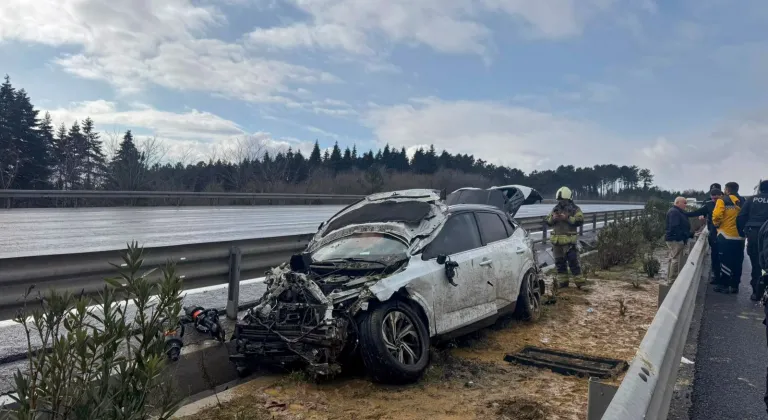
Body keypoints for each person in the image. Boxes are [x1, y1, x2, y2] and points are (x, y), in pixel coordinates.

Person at [546, 186, 584, 288]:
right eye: (560, 200)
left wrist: (567, 218)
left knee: (574, 263)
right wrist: (553, 218)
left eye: (563, 200)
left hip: (569, 242)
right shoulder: (555, 209)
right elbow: (547, 221)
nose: (561, 202)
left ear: (568, 199)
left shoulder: (575, 209)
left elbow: (579, 221)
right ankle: (563, 284)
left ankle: (580, 283)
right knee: (559, 264)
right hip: (557, 243)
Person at [685, 183, 722, 284]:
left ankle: (723, 278)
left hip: (723, 233)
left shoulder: (725, 202)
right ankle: (717, 276)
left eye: (717, 197)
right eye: (713, 197)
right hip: (715, 232)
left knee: (723, 256)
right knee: (715, 254)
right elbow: (698, 212)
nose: (715, 200)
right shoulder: (708, 203)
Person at [737, 180, 768, 300]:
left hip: (753, 232)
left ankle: (757, 291)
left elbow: (741, 216)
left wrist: (742, 232)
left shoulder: (752, 199)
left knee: (756, 263)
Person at [712, 187, 745, 293]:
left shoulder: (722, 200)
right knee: (738, 261)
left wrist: (716, 225)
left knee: (725, 261)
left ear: (727, 190)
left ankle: (724, 285)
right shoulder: (743, 200)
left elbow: (717, 215)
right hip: (740, 236)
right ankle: (735, 286)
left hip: (725, 235)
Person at [666, 197, 693, 282]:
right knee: (676, 259)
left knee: (673, 257)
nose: (686, 205)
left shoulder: (678, 212)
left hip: (675, 238)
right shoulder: (674, 212)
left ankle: (670, 278)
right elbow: (675, 226)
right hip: (675, 239)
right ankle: (672, 280)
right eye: (684, 203)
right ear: (677, 203)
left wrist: (688, 234)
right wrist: (683, 236)